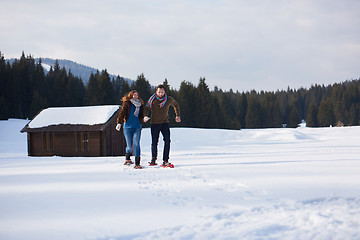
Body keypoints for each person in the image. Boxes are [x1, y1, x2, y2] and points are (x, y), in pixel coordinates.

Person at [144, 84, 181, 167]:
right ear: (156, 92)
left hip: (165, 123)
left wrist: (177, 115)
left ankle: (165, 160)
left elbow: (176, 105)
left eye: (162, 92)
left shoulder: (168, 99)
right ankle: (153, 159)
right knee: (154, 142)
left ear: (164, 92)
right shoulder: (152, 99)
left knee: (167, 141)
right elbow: (146, 108)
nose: (161, 93)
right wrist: (145, 116)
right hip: (154, 123)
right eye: (159, 92)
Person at [116, 90, 144, 169]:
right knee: (129, 146)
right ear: (130, 95)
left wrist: (144, 117)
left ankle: (137, 163)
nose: (135, 96)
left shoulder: (140, 104)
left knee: (137, 144)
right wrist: (119, 123)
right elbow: (122, 113)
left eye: (136, 95)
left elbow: (142, 114)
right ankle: (128, 159)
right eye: (134, 95)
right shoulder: (127, 104)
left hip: (137, 127)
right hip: (127, 127)